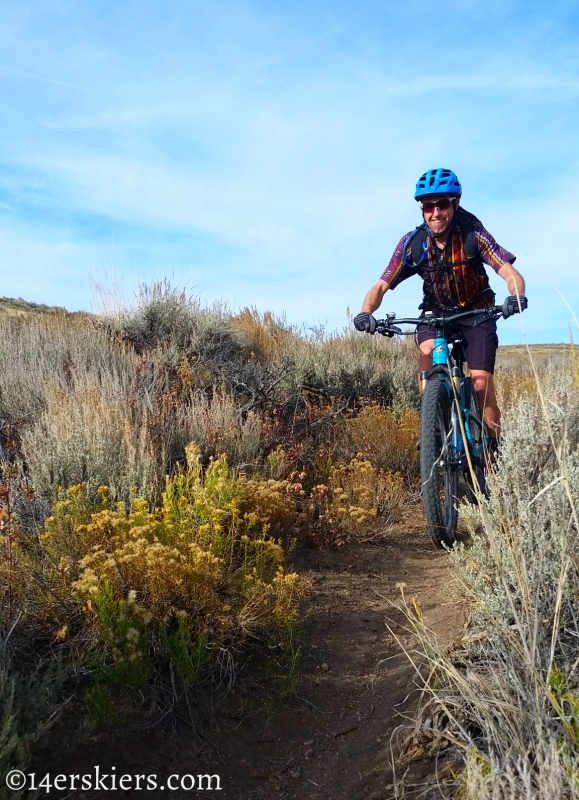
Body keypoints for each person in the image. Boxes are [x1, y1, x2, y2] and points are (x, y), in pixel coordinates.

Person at [353, 168, 527, 445]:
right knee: (428, 351)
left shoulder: (473, 234)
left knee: (480, 383)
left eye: (442, 204)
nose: (436, 212)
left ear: (455, 203)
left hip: (477, 312)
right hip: (436, 313)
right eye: (428, 206)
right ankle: (432, 421)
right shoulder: (414, 243)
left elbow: (508, 272)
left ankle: (495, 451)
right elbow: (381, 285)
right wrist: (366, 312)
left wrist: (516, 295)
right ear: (422, 209)